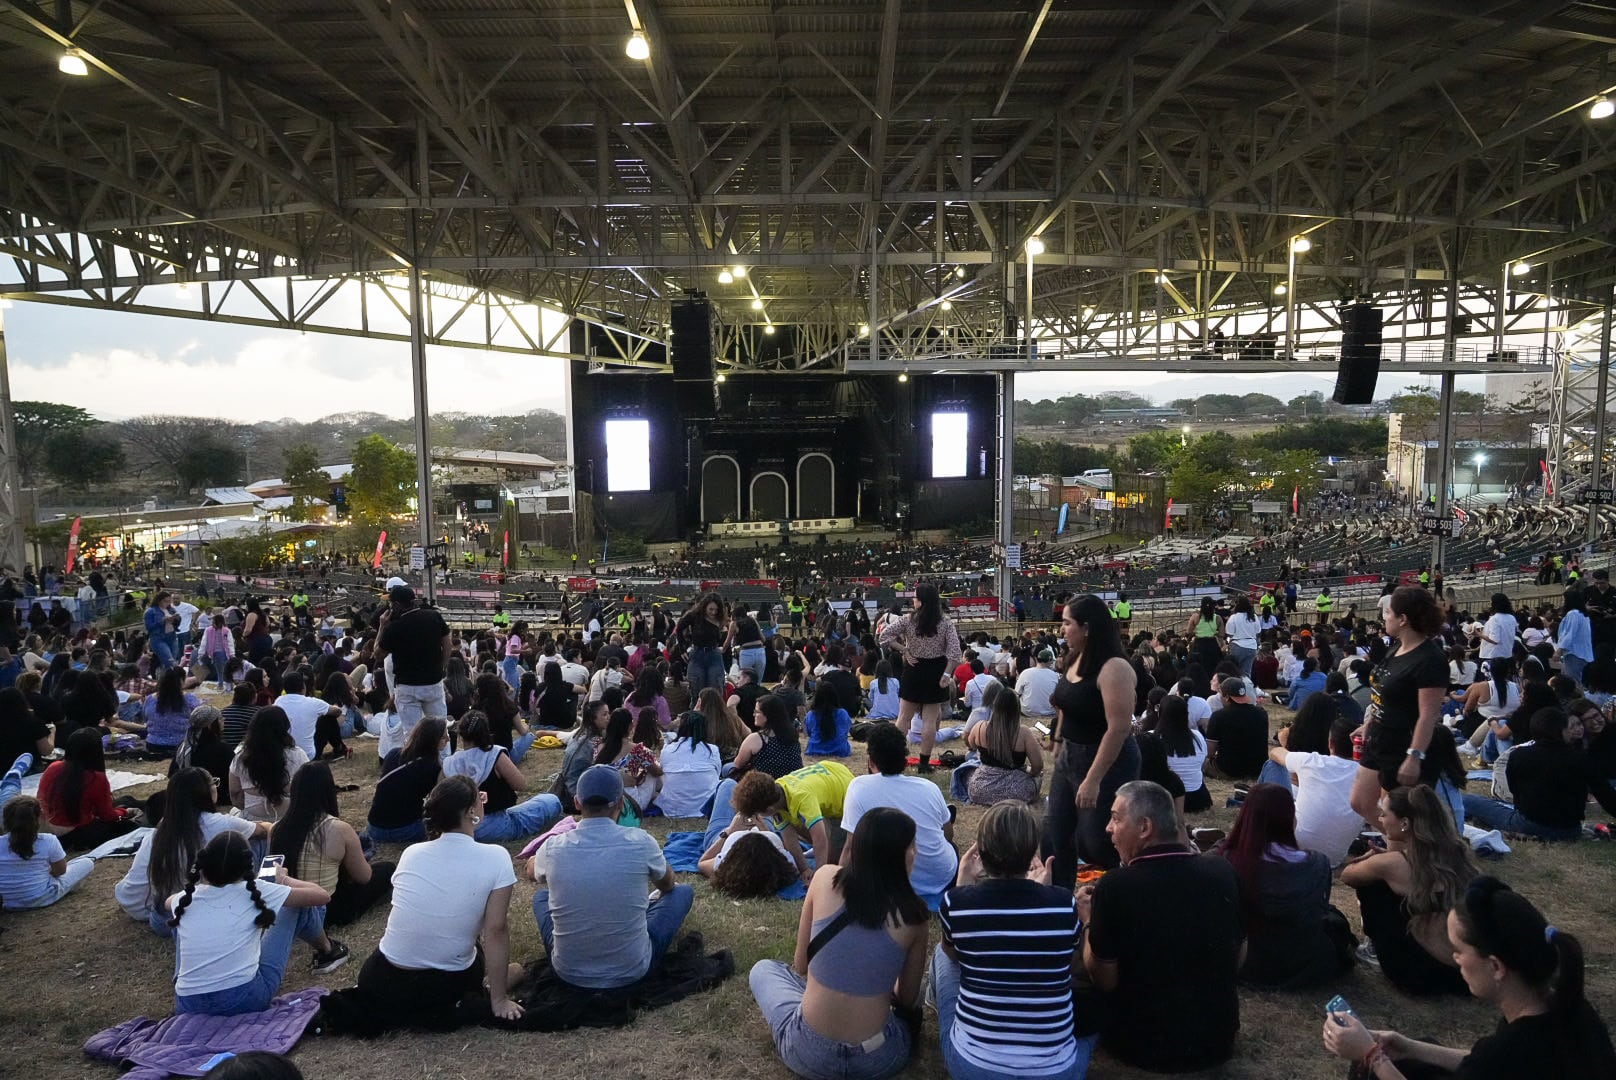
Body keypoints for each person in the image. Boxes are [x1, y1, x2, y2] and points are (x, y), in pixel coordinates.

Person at [1322, 876, 1616, 1079]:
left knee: (1373, 1069)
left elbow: (1489, 1064)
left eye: (1460, 950)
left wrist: (1373, 1055)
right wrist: (1406, 1045)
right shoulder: (1567, 1008)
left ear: (1496, 967)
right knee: (1412, 1057)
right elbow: (1478, 1062)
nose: (1454, 958)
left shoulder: (1511, 1050)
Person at [748, 806, 929, 1080]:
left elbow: (801, 965)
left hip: (808, 1053)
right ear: (904, 854)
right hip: (878, 1059)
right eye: (913, 845)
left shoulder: (823, 878)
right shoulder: (915, 916)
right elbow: (906, 999)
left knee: (763, 969)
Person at [1080, 780, 1243, 1072]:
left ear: (1144, 828)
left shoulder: (1116, 886)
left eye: (1116, 818)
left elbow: (1104, 979)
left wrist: (1088, 920)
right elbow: (1239, 955)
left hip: (1141, 1045)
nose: (1107, 828)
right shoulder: (1221, 871)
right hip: (1217, 1039)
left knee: (1077, 960)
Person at [935, 801, 1093, 1080]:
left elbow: (954, 953)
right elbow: (1065, 963)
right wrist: (1043, 896)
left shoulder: (956, 902)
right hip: (1057, 1070)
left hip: (972, 1066)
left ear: (981, 852)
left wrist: (962, 885)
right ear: (1032, 851)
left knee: (942, 953)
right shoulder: (1062, 903)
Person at [354, 775, 524, 1022]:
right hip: (444, 987)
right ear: (470, 813)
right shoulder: (496, 857)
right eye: (480, 799)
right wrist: (499, 1000)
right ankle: (490, 989)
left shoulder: (411, 853)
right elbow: (495, 930)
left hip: (381, 981)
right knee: (516, 970)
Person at [528, 765, 694, 988]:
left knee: (541, 897)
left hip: (568, 971)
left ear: (577, 803)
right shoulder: (641, 841)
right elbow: (668, 884)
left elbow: (533, 871)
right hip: (633, 968)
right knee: (682, 892)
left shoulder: (553, 847)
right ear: (621, 803)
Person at [168, 831, 347, 1015]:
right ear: (248, 865)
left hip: (188, 1005)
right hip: (244, 1000)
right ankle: (328, 950)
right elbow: (321, 896)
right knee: (295, 906)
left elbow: (169, 902)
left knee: (180, 916)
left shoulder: (184, 898)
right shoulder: (257, 889)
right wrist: (283, 879)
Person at [1342, 784, 1480, 996]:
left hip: (1418, 974)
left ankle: (1373, 949)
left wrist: (1374, 860)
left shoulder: (1393, 863)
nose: (1380, 819)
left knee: (1373, 884)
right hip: (1465, 972)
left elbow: (1348, 876)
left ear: (1404, 823)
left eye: (1384, 814)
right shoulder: (1458, 853)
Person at [1215, 783, 1352, 989]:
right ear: (1290, 818)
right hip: (1301, 963)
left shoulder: (1225, 860)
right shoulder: (1317, 865)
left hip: (1246, 961)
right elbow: (1319, 911)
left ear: (1246, 817)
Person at [1044, 595, 1140, 883]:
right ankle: (1060, 900)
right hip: (1070, 757)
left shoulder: (1114, 668)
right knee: (1054, 833)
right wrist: (1058, 739)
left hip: (1107, 762)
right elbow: (1064, 704)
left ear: (1087, 628)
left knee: (1096, 841)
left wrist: (1093, 780)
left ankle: (1115, 892)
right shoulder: (1074, 658)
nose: (1061, 629)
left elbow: (1118, 728)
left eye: (1067, 623)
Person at [117, 768, 271, 934]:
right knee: (257, 842)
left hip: (153, 914)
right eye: (215, 784)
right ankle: (260, 893)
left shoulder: (162, 828)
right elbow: (265, 830)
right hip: (184, 915)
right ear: (208, 792)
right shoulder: (219, 823)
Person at [1353, 585, 1451, 825]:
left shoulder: (1430, 659)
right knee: (1360, 802)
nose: (1384, 617)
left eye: (1388, 613)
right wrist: (1370, 721)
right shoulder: (1397, 648)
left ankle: (1408, 852)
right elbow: (1384, 693)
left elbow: (1427, 715)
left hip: (1403, 744)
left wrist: (1414, 757)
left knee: (1397, 816)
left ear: (1403, 619)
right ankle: (1402, 848)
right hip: (1379, 737)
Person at [842, 723, 956, 903]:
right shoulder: (929, 788)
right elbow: (948, 835)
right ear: (905, 759)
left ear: (871, 761)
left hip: (886, 883)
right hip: (939, 877)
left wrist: (841, 891)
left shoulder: (858, 788)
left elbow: (850, 848)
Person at [1462, 706, 1616, 840]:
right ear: (1562, 730)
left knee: (1467, 800)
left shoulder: (1519, 755)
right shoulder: (1581, 758)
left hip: (1528, 824)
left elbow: (1516, 792)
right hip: (1570, 830)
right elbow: (1606, 795)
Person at [271, 762, 394, 926]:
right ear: (329, 791)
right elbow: (364, 877)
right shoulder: (339, 829)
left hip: (291, 906)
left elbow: (271, 875)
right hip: (331, 911)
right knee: (387, 869)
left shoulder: (276, 829)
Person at [877, 583, 963, 774]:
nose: (913, 600)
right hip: (936, 672)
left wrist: (904, 650)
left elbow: (883, 635)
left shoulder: (908, 620)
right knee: (930, 721)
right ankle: (924, 763)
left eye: (915, 597)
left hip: (913, 669)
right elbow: (955, 652)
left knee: (903, 718)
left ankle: (896, 757)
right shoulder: (945, 622)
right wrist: (947, 674)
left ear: (921, 601)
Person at [442, 710, 562, 843]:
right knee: (550, 800)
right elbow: (521, 784)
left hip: (459, 829)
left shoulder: (449, 763)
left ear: (461, 734)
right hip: (495, 825)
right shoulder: (494, 754)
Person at [727, 761, 854, 877]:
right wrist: (804, 869)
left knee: (834, 864)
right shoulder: (777, 793)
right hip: (829, 774)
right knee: (806, 829)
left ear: (769, 810)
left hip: (845, 793)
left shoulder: (802, 798)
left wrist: (818, 876)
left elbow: (820, 839)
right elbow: (789, 837)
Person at [1267, 708, 1362, 865]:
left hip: (1296, 848)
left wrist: (1285, 741)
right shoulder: (1366, 774)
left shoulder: (1312, 761)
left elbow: (1275, 752)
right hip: (1333, 859)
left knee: (1272, 766)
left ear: (1330, 743)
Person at [36, 726, 141, 850]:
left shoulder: (54, 767)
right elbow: (106, 815)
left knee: (126, 800)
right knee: (130, 826)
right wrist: (124, 813)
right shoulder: (95, 778)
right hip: (76, 832)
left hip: (49, 827)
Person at [375, 584, 450, 730]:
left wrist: (382, 626)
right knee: (440, 730)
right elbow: (447, 644)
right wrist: (443, 667)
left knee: (412, 733)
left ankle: (417, 753)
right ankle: (443, 753)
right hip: (433, 681)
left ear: (396, 604)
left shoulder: (394, 627)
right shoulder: (434, 616)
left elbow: (378, 654)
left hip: (407, 685)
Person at [0, 795, 94, 908]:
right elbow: (60, 871)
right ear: (39, 818)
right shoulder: (48, 840)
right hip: (42, 897)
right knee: (86, 863)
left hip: (7, 902)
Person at [365, 718, 447, 845]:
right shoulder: (434, 768)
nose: (448, 739)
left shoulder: (393, 754)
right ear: (432, 740)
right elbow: (437, 803)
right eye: (444, 737)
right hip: (406, 830)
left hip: (374, 828)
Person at [229, 707, 310, 824]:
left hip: (253, 819)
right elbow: (308, 787)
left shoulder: (241, 758)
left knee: (233, 811)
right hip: (289, 817)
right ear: (285, 727)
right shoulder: (298, 754)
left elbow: (235, 794)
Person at [964, 690, 1044, 806]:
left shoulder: (980, 726)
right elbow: (1038, 766)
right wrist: (1029, 773)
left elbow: (971, 745)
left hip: (980, 791)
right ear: (1017, 709)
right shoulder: (1023, 732)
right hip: (1016, 793)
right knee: (1039, 777)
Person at [656, 709, 722, 817]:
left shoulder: (668, 750)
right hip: (706, 808)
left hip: (673, 809)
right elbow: (717, 774)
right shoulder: (712, 750)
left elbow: (664, 772)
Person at [1204, 675, 1269, 780]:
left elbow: (1209, 752)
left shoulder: (1218, 716)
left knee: (1201, 762)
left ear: (1226, 697)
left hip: (1229, 770)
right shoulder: (1261, 713)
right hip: (1258, 769)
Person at [1156, 694, 1211, 811]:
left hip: (1167, 799)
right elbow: (1203, 764)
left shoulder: (1153, 738)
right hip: (1198, 798)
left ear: (1160, 713)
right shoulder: (1197, 736)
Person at [732, 692, 804, 779]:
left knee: (727, 768)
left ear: (767, 716)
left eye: (757, 712)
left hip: (766, 787)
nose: (753, 714)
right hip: (791, 782)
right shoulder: (792, 734)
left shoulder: (756, 739)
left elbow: (737, 764)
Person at [558, 700, 610, 812]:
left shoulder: (579, 734)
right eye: (604, 714)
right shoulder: (596, 742)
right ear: (593, 718)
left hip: (566, 789)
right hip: (578, 797)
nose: (608, 717)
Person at [677, 592, 728, 699]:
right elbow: (679, 629)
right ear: (704, 606)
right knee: (696, 692)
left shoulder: (719, 618)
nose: (714, 612)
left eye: (716, 610)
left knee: (716, 693)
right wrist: (682, 649)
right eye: (711, 609)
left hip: (714, 655)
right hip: (697, 655)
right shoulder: (694, 615)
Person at [144, 665, 200, 758]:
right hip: (181, 745)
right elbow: (200, 718)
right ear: (182, 681)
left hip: (153, 745)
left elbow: (146, 718)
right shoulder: (189, 699)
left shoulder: (150, 699)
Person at [1554, 589, 1594, 685]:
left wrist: (1559, 651)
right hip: (1579, 653)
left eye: (1564, 600)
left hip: (1574, 653)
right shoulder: (1582, 614)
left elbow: (1569, 634)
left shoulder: (1573, 614)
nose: (1563, 602)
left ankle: (1579, 699)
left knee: (1573, 683)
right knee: (1571, 681)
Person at [1479, 592, 1519, 686]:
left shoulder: (1495, 619)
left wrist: (1479, 634)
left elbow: (1495, 640)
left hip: (1492, 655)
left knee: (1491, 684)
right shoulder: (1512, 618)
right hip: (1507, 653)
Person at [804, 682, 852, 757]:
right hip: (840, 750)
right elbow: (846, 730)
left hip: (814, 749)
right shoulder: (843, 713)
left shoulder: (811, 714)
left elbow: (809, 732)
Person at [1014, 645, 1060, 720]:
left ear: (1036, 659)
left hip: (1027, 711)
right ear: (1050, 661)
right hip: (1049, 711)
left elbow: (1017, 692)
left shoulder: (1026, 672)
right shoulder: (1055, 676)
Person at [1224, 595, 1262, 679]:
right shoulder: (1254, 617)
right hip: (1252, 646)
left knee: (1235, 671)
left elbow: (1229, 633)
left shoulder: (1233, 617)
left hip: (1238, 645)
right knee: (1247, 673)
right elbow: (1258, 631)